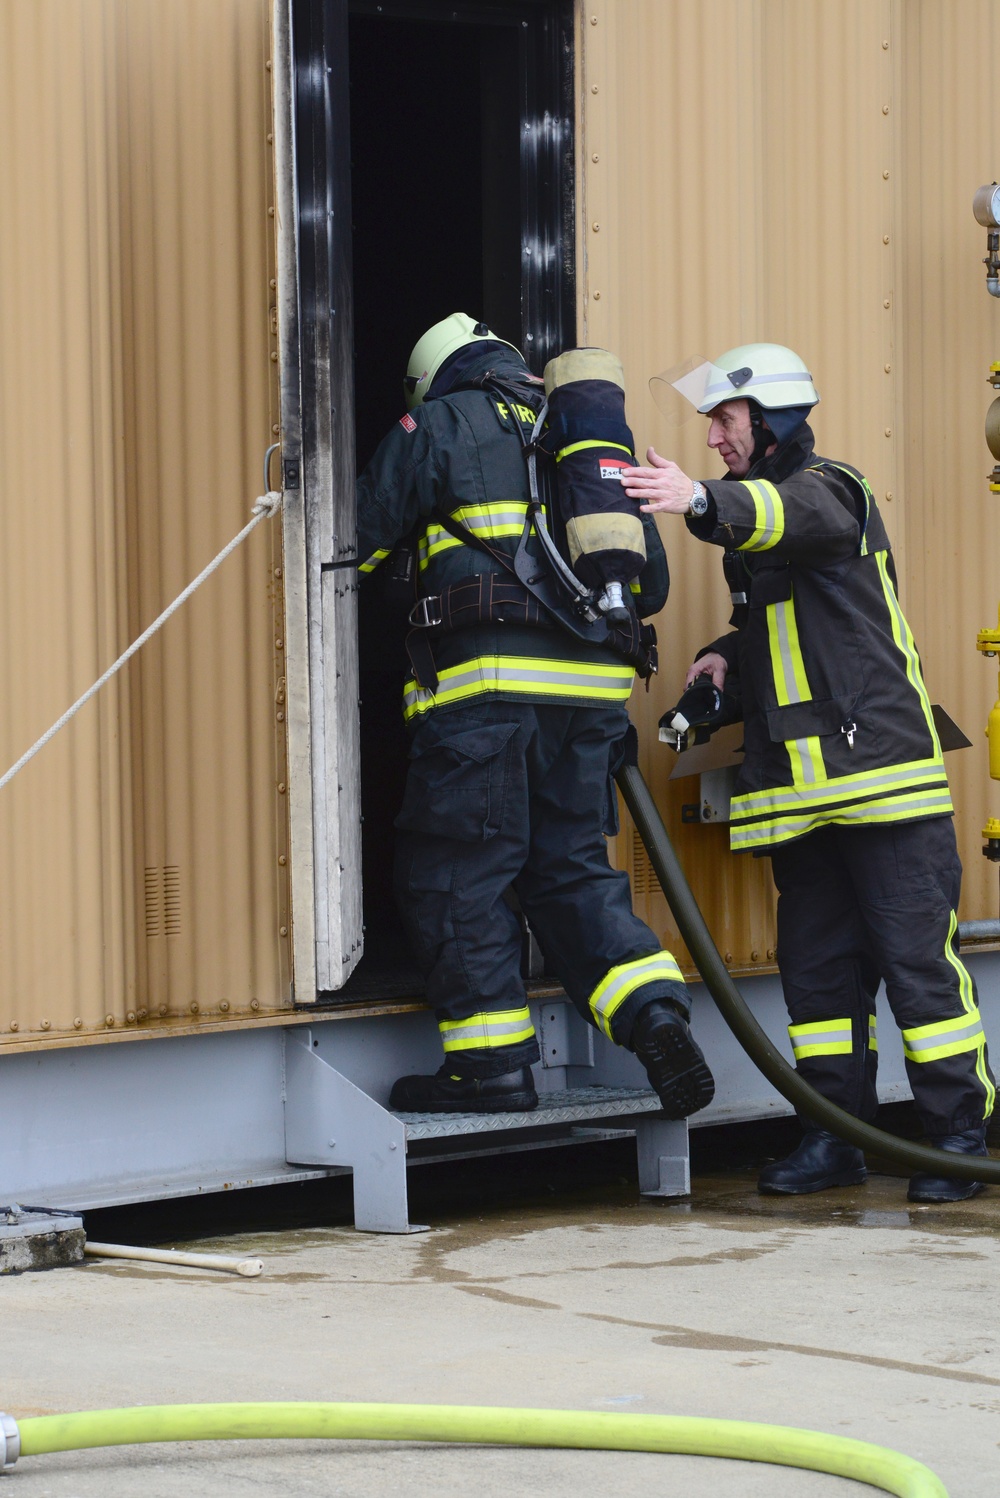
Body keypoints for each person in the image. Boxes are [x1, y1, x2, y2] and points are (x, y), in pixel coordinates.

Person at [622, 341, 995, 1202]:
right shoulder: (757, 543)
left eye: (725, 419)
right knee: (819, 982)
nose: (713, 436)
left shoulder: (832, 491)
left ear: (772, 418)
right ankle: (835, 1140)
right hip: (799, 797)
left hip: (881, 787)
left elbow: (793, 515)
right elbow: (792, 637)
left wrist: (695, 498)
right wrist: (727, 661)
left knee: (919, 971)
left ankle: (958, 1140)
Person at [356, 312, 715, 1120]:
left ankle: (490, 1068)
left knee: (460, 872)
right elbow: (650, 585)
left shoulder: (439, 422)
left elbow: (355, 542)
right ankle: (652, 1012)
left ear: (430, 377)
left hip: (484, 699)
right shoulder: (587, 437)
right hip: (591, 705)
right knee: (571, 868)